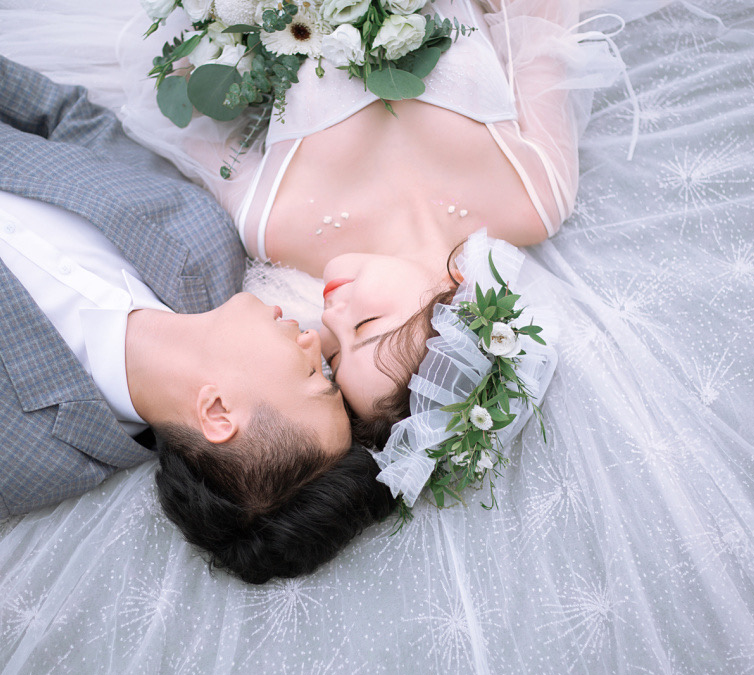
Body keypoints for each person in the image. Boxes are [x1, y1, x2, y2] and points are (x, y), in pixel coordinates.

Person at [0, 8, 396, 584]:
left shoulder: (3, 456)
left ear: (217, 412)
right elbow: (63, 115)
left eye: (314, 378)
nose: (313, 342)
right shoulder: (201, 239)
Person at [120, 0, 614, 447]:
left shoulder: (276, 227)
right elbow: (540, 24)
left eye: (335, 357)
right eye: (365, 325)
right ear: (455, 296)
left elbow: (191, 106)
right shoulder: (533, 199)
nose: (329, 319)